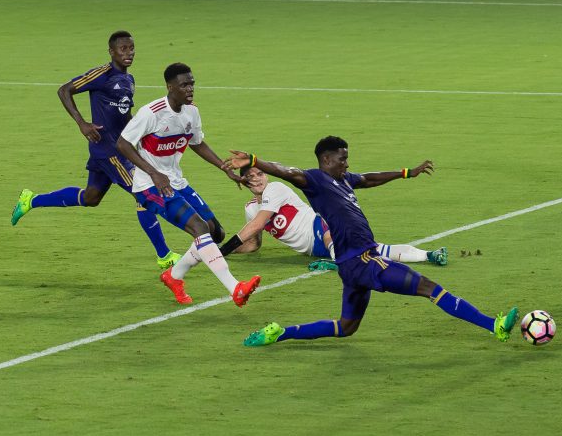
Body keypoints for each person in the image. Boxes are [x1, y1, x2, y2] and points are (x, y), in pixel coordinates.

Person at [221, 137, 519, 346]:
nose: (347, 163)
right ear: (326, 160)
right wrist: (256, 160)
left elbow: (370, 178)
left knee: (345, 327)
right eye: (342, 158)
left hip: (352, 265)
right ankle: (494, 325)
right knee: (430, 288)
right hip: (363, 261)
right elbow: (288, 172)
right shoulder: (315, 180)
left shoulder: (344, 179)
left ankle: (278, 333)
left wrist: (406, 173)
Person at [10, 31, 180, 269]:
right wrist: (82, 123)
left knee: (91, 197)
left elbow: (124, 115)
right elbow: (64, 90)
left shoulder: (129, 80)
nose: (129, 52)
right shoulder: (102, 75)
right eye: (123, 49)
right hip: (108, 150)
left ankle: (31, 200)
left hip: (119, 148)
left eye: (131, 48)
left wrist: (140, 136)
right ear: (111, 52)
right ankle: (164, 255)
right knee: (143, 193)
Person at [116, 62, 260, 307]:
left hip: (176, 181)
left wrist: (225, 168)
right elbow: (122, 144)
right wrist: (153, 173)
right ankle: (234, 288)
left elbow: (197, 143)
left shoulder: (191, 112)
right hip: (149, 186)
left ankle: (174, 276)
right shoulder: (152, 113)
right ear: (170, 87)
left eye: (192, 83)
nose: (190, 88)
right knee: (199, 228)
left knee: (215, 232)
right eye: (184, 84)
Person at [219, 166, 449, 268]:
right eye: (252, 177)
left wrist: (222, 250)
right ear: (244, 182)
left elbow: (259, 223)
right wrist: (223, 254)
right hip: (314, 249)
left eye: (261, 174)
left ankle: (339, 262)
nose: (259, 179)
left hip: (320, 225)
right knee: (376, 252)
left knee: (338, 238)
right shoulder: (250, 208)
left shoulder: (275, 189)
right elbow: (253, 243)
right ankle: (429, 255)